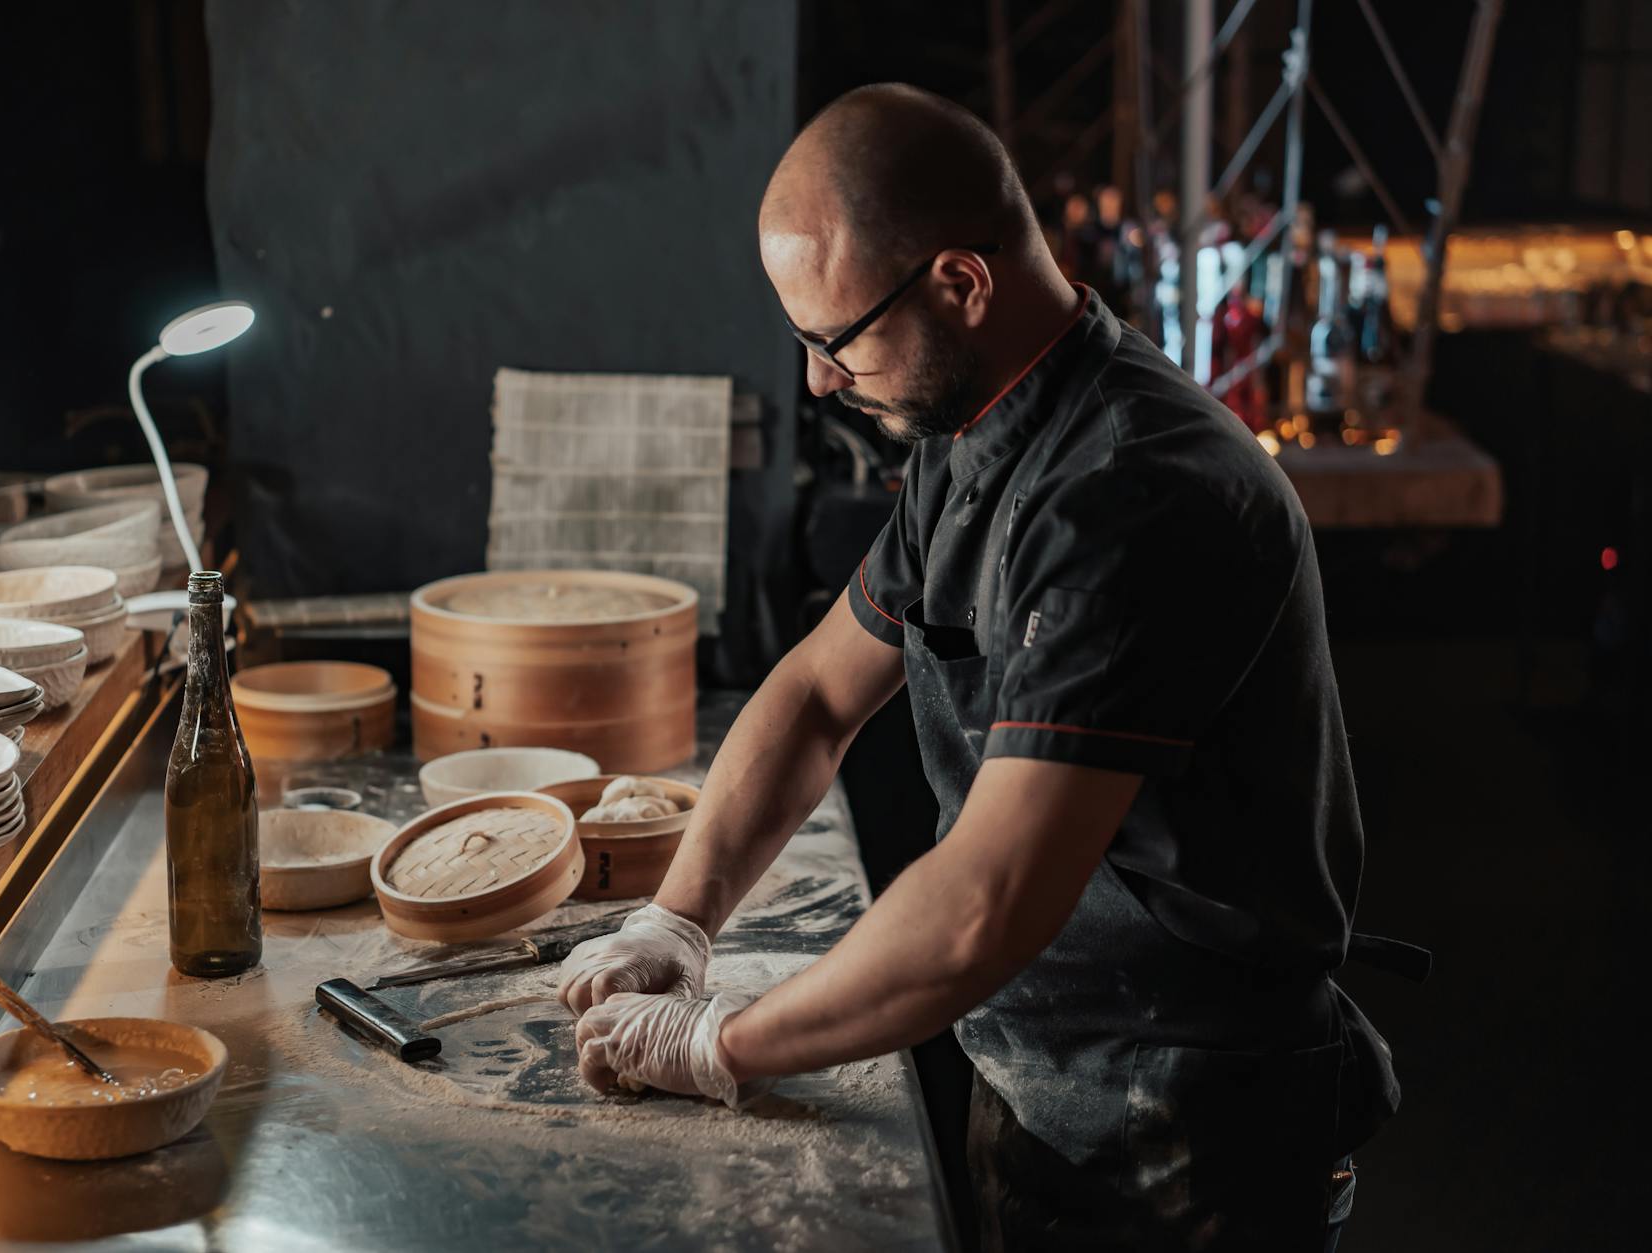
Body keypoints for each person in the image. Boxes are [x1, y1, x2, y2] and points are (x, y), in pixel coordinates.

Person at [561, 84, 1411, 1252]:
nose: (816, 380)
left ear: (960, 283)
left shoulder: (1131, 495)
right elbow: (814, 694)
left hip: (1186, 1134)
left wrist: (718, 1043)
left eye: (833, 340)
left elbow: (981, 906)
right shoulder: (970, 439)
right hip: (1039, 1070)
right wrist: (677, 918)